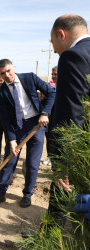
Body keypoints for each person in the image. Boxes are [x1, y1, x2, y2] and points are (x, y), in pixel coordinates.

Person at [0, 59, 55, 209]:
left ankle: (27, 194)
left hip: (36, 124)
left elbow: (51, 92)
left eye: (8, 71)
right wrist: (11, 140)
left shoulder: (30, 78)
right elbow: (4, 118)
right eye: (2, 73)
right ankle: (0, 193)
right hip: (17, 127)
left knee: (32, 163)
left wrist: (45, 113)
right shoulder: (0, 93)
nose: (7, 75)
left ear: (13, 68)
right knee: (9, 160)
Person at [47, 14, 90, 226]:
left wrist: (63, 164)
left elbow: (72, 112)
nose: (54, 48)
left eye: (52, 42)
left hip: (79, 152)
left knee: (65, 194)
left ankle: (52, 239)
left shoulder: (73, 57)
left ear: (61, 34)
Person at [40, 66, 58, 166]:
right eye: (52, 74)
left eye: (56, 74)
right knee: (49, 138)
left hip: (59, 118)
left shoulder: (65, 87)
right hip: (49, 118)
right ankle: (50, 157)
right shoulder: (49, 88)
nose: (53, 76)